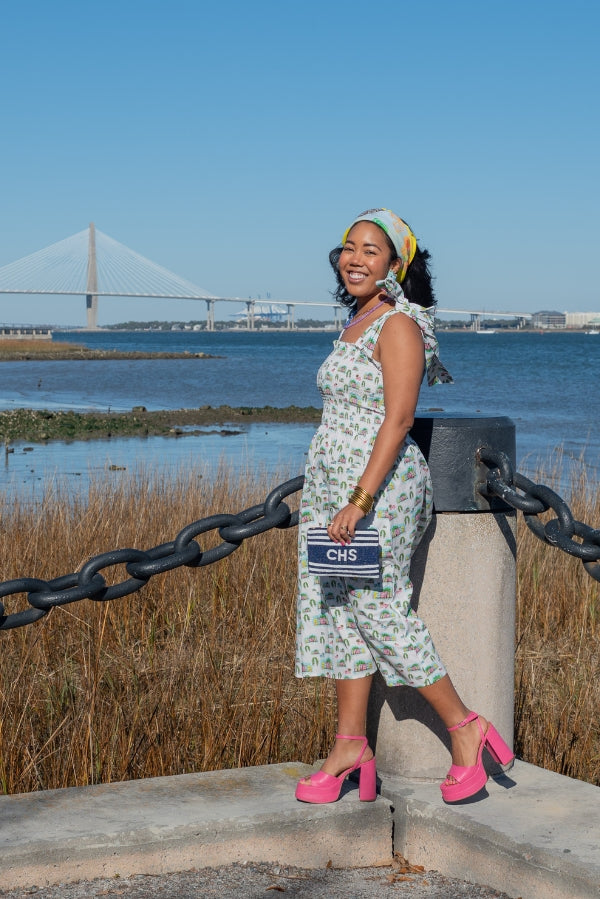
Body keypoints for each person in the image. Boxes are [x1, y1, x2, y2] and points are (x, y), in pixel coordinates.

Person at [295, 208, 513, 805]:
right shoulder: (354, 322)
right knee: (341, 614)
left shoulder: (397, 325)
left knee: (382, 612)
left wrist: (360, 500)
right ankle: (349, 747)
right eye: (349, 247)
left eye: (372, 249)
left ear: (397, 265)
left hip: (380, 492)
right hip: (334, 492)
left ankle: (467, 728)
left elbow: (399, 419)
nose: (355, 258)